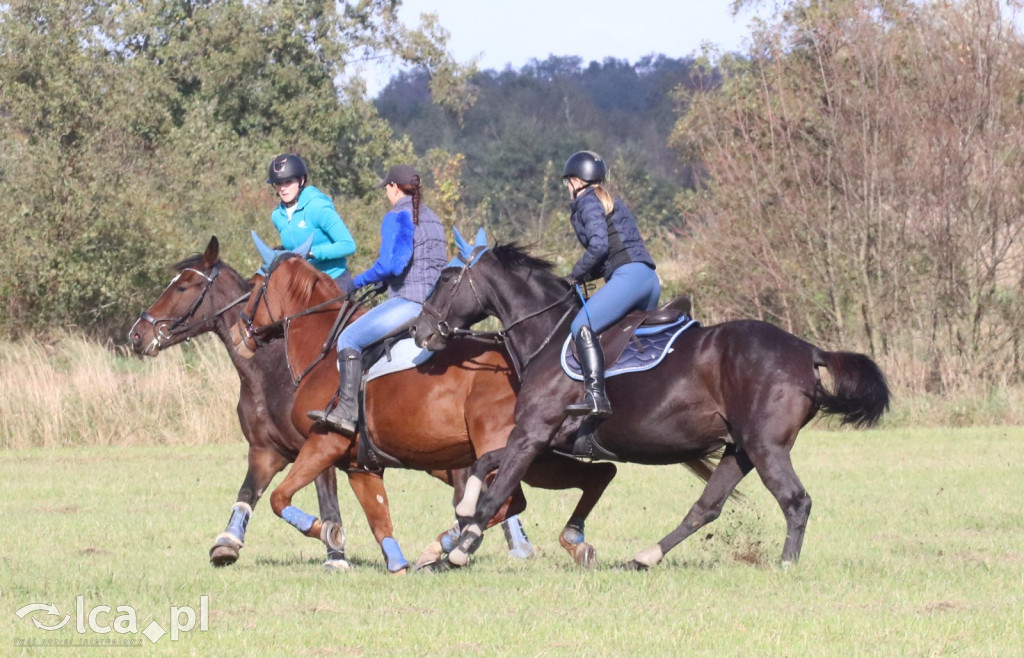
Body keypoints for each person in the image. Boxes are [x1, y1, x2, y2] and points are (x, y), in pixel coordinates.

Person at [308, 164, 447, 436]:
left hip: (410, 303)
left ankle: (346, 412)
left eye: (386, 187)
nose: (386, 192)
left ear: (394, 187)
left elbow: (392, 266)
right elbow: (418, 264)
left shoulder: (397, 216)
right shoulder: (433, 218)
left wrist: (357, 282)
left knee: (348, 339)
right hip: (436, 305)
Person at [561, 150, 660, 419]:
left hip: (628, 279)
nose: (567, 188)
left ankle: (595, 397)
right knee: (624, 337)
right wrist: (585, 275)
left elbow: (599, 247)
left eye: (567, 182)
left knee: (581, 325)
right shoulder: (610, 200)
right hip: (648, 279)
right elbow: (612, 254)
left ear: (577, 182)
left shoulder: (587, 202)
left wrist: (575, 274)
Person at [266, 153, 357, 295]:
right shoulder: (277, 216)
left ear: (301, 181)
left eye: (288, 182)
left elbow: (348, 245)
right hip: (304, 283)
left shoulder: (317, 208)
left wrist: (312, 253)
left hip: (334, 280)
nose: (283, 188)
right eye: (278, 183)